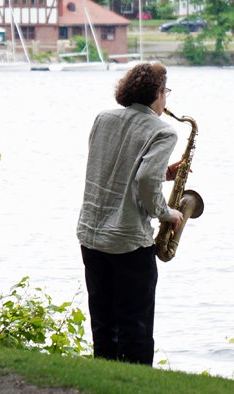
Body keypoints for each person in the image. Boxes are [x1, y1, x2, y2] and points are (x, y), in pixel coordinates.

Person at [76, 62, 183, 365]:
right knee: (135, 329)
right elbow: (145, 181)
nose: (167, 99)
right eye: (166, 91)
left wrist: (162, 173)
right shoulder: (163, 131)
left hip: (91, 234)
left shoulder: (104, 118)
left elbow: (112, 167)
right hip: (128, 242)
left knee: (103, 324)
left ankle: (102, 382)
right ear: (157, 93)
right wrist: (167, 213)